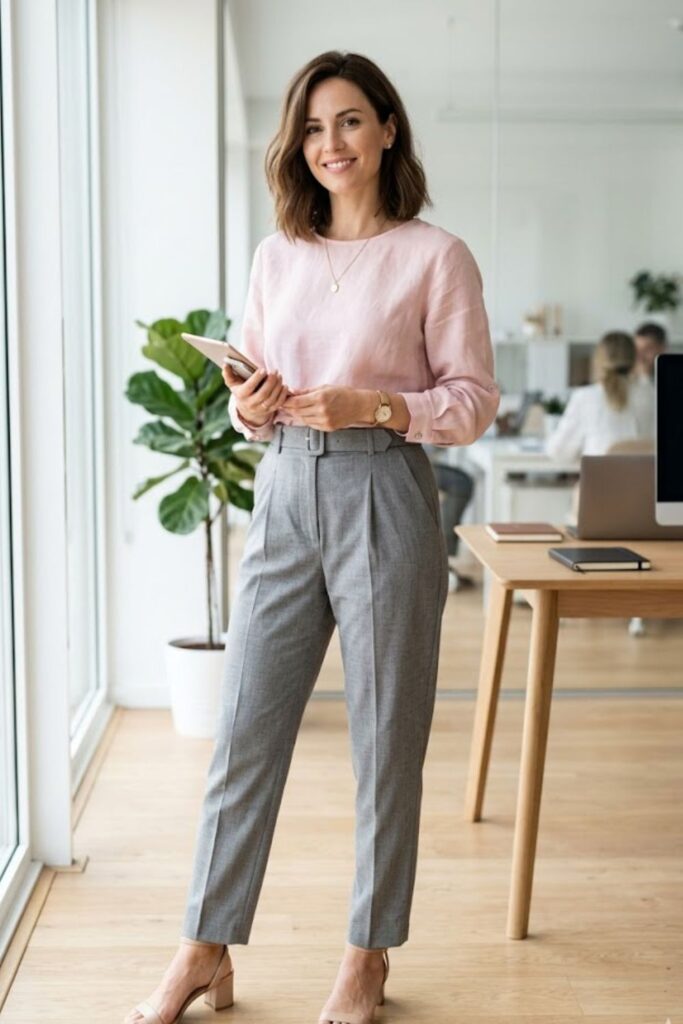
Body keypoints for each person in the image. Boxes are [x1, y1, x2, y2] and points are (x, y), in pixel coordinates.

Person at [124, 50, 499, 1024]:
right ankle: (204, 945)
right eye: (311, 127)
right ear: (295, 144)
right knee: (244, 728)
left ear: (384, 132)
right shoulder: (275, 255)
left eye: (347, 123)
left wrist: (372, 403)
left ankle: (365, 958)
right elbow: (256, 403)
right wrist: (251, 403)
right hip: (285, 491)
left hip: (387, 493)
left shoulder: (434, 255)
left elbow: (471, 403)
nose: (327, 144)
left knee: (384, 742)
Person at [546, 330, 654, 463]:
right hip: (647, 482)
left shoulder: (585, 397)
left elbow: (558, 452)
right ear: (635, 359)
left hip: (599, 481)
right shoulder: (653, 394)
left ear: (598, 360)